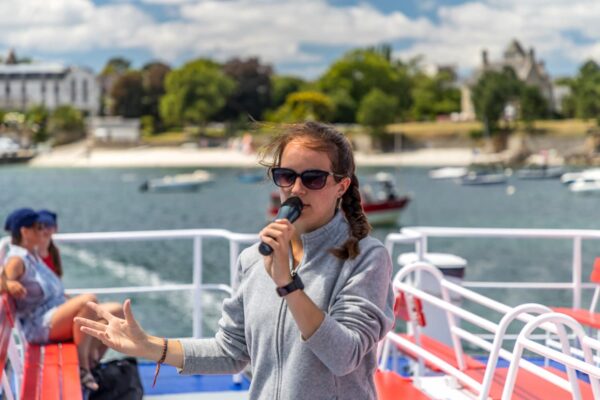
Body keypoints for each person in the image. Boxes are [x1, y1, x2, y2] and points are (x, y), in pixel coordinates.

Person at [76, 122, 395, 399]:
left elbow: (345, 356)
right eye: (286, 176)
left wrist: (288, 285)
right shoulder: (254, 260)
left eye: (313, 179)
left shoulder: (366, 258)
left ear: (342, 185)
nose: (296, 189)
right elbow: (230, 352)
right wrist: (150, 346)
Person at [1, 208, 123, 392]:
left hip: (55, 315)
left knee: (116, 311)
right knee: (88, 300)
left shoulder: (34, 256)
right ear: (25, 232)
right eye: (38, 227)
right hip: (40, 325)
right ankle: (83, 368)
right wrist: (9, 284)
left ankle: (92, 361)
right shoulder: (17, 259)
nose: (43, 231)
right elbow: (2, 278)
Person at [36, 209, 63, 277]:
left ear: (55, 228)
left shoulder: (55, 252)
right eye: (40, 226)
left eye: (48, 225)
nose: (44, 230)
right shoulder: (28, 254)